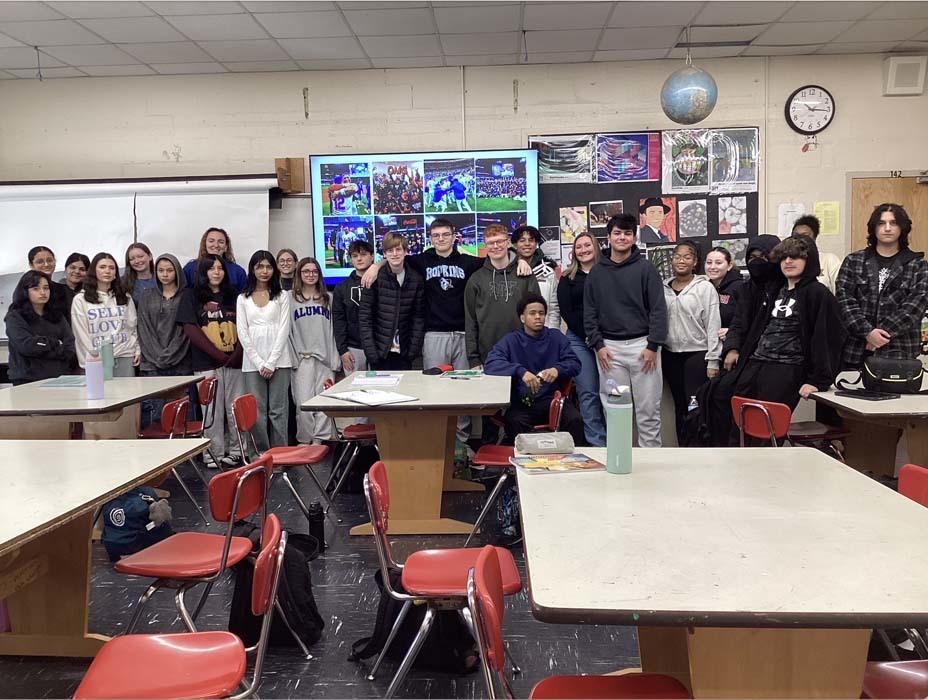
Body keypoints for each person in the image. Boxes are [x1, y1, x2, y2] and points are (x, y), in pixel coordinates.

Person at [360, 218, 531, 442]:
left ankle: (461, 444)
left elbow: (497, 256)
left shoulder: (468, 262)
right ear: (430, 239)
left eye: (445, 235)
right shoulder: (422, 261)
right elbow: (395, 256)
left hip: (462, 335)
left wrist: (520, 260)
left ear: (454, 236)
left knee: (462, 393)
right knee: (435, 392)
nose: (441, 239)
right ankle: (436, 442)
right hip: (434, 335)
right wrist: (375, 265)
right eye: (436, 235)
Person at [721, 236, 846, 431]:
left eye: (795, 257)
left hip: (787, 367)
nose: (788, 261)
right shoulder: (775, 290)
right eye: (784, 257)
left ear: (809, 260)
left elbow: (828, 339)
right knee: (738, 425)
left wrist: (818, 380)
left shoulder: (817, 293)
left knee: (766, 428)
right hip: (756, 363)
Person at [584, 213, 667, 448]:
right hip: (610, 352)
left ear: (634, 237)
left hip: (644, 349)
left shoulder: (646, 269)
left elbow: (658, 310)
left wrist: (653, 346)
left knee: (648, 410)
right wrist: (598, 345)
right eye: (617, 233)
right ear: (608, 237)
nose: (622, 237)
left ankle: (650, 461)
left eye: (627, 233)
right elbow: (589, 313)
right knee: (616, 409)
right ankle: (619, 460)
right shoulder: (597, 273)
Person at [836, 203, 928, 369]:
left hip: (900, 351)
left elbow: (916, 305)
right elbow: (844, 300)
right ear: (874, 228)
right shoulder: (854, 261)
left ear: (902, 228)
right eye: (881, 223)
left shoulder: (917, 264)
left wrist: (880, 336)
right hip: (856, 349)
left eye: (893, 223)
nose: (887, 228)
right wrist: (867, 332)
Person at [485, 293, 584, 446]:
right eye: (532, 313)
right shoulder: (511, 340)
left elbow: (575, 363)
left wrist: (557, 369)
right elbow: (491, 364)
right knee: (514, 422)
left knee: (575, 420)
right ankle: (521, 460)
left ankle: (576, 459)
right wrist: (520, 371)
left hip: (553, 400)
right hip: (523, 404)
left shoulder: (556, 337)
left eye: (541, 313)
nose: (538, 317)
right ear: (522, 318)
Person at [176, 254, 244, 468]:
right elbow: (190, 328)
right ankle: (213, 453)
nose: (216, 272)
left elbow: (246, 326)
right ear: (203, 272)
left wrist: (237, 354)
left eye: (220, 268)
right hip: (206, 363)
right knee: (211, 411)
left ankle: (237, 451)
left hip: (235, 362)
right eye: (211, 268)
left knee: (235, 408)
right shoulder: (191, 295)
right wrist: (218, 356)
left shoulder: (235, 295)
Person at [662, 241, 722, 443]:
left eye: (687, 257)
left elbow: (713, 324)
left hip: (697, 355)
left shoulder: (705, 288)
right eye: (677, 256)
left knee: (695, 407)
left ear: (695, 262)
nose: (681, 261)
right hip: (670, 356)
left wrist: (713, 360)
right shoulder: (663, 288)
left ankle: (698, 450)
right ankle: (683, 449)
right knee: (679, 406)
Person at [237, 250, 293, 453]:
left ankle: (280, 455)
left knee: (278, 411)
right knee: (256, 411)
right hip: (253, 363)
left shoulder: (282, 296)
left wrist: (271, 362)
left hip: (280, 360)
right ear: (252, 269)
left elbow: (284, 329)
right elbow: (242, 332)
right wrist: (260, 363)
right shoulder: (242, 298)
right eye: (259, 266)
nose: (264, 271)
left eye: (268, 266)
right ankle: (259, 455)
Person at [464, 223, 541, 369]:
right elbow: (470, 321)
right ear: (485, 246)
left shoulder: (525, 275)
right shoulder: (476, 280)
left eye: (500, 241)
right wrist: (473, 358)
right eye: (490, 243)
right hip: (489, 354)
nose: (495, 246)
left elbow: (536, 314)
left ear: (507, 242)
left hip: (524, 351)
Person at [556, 232, 606, 446]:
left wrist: (600, 338)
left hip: (608, 340)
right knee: (588, 393)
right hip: (579, 340)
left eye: (587, 245)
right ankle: (598, 443)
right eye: (579, 247)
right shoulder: (568, 279)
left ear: (595, 247)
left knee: (611, 393)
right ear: (573, 252)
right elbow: (567, 312)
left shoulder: (609, 273)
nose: (583, 250)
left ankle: (616, 441)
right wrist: (589, 337)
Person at [137, 254, 191, 429]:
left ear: (177, 271)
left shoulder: (186, 295)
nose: (165, 274)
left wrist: (170, 354)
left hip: (180, 363)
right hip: (152, 364)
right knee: (155, 417)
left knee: (181, 416)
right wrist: (158, 356)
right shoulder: (147, 295)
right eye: (161, 270)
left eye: (169, 270)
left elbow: (185, 331)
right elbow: (144, 328)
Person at [289, 257, 340, 444]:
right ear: (299, 274)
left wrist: (334, 359)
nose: (310, 275)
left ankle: (320, 439)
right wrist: (293, 359)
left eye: (314, 271)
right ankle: (304, 439)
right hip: (302, 359)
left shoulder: (328, 298)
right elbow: (287, 332)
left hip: (324, 357)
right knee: (303, 402)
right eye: (306, 271)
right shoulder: (290, 298)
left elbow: (334, 331)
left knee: (324, 400)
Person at [359, 232, 425, 371]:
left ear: (405, 252)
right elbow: (365, 317)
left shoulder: (416, 279)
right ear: (384, 253)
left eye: (398, 249)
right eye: (390, 250)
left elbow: (418, 317)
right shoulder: (374, 278)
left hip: (405, 354)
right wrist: (371, 353)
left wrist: (412, 351)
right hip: (380, 353)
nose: (394, 254)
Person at [71, 252, 139, 375]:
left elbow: (132, 326)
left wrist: (137, 349)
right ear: (94, 271)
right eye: (102, 267)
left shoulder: (125, 297)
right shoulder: (80, 299)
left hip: (124, 356)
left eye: (111, 268)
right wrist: (93, 355)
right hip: (95, 359)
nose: (107, 271)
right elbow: (81, 333)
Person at [4, 271, 75, 385]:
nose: (42, 292)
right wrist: (55, 343)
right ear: (25, 291)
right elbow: (27, 346)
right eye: (36, 289)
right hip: (27, 380)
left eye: (46, 288)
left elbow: (69, 347)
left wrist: (42, 346)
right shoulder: (15, 317)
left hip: (59, 378)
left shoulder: (57, 315)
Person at [332, 239, 375, 375]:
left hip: (379, 347)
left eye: (363, 254)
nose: (359, 259)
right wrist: (343, 350)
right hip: (353, 348)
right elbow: (339, 321)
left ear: (372, 256)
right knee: (355, 386)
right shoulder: (341, 288)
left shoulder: (382, 283)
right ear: (350, 259)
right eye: (355, 256)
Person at [511, 225, 561, 329]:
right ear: (515, 244)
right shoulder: (508, 271)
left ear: (536, 243)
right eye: (522, 240)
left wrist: (552, 332)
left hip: (542, 331)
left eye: (531, 240)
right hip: (514, 331)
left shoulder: (548, 272)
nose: (527, 244)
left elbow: (554, 308)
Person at [182, 227, 247, 291]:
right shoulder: (190, 269)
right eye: (211, 241)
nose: (216, 245)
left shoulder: (238, 272)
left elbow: (244, 296)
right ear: (204, 244)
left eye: (221, 242)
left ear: (226, 247)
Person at [792, 214, 841, 293]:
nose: (800, 239)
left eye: (805, 236)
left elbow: (840, 290)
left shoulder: (829, 260)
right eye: (795, 236)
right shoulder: (788, 262)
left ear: (814, 237)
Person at [704, 246, 742, 341]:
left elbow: (749, 318)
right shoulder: (704, 288)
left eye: (718, 263)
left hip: (733, 343)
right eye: (709, 262)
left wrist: (732, 331)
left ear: (729, 266)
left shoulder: (740, 287)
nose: (712, 267)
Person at [27, 246, 71, 320]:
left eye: (50, 260)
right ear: (31, 265)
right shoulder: (26, 290)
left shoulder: (63, 290)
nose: (46, 264)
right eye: (40, 262)